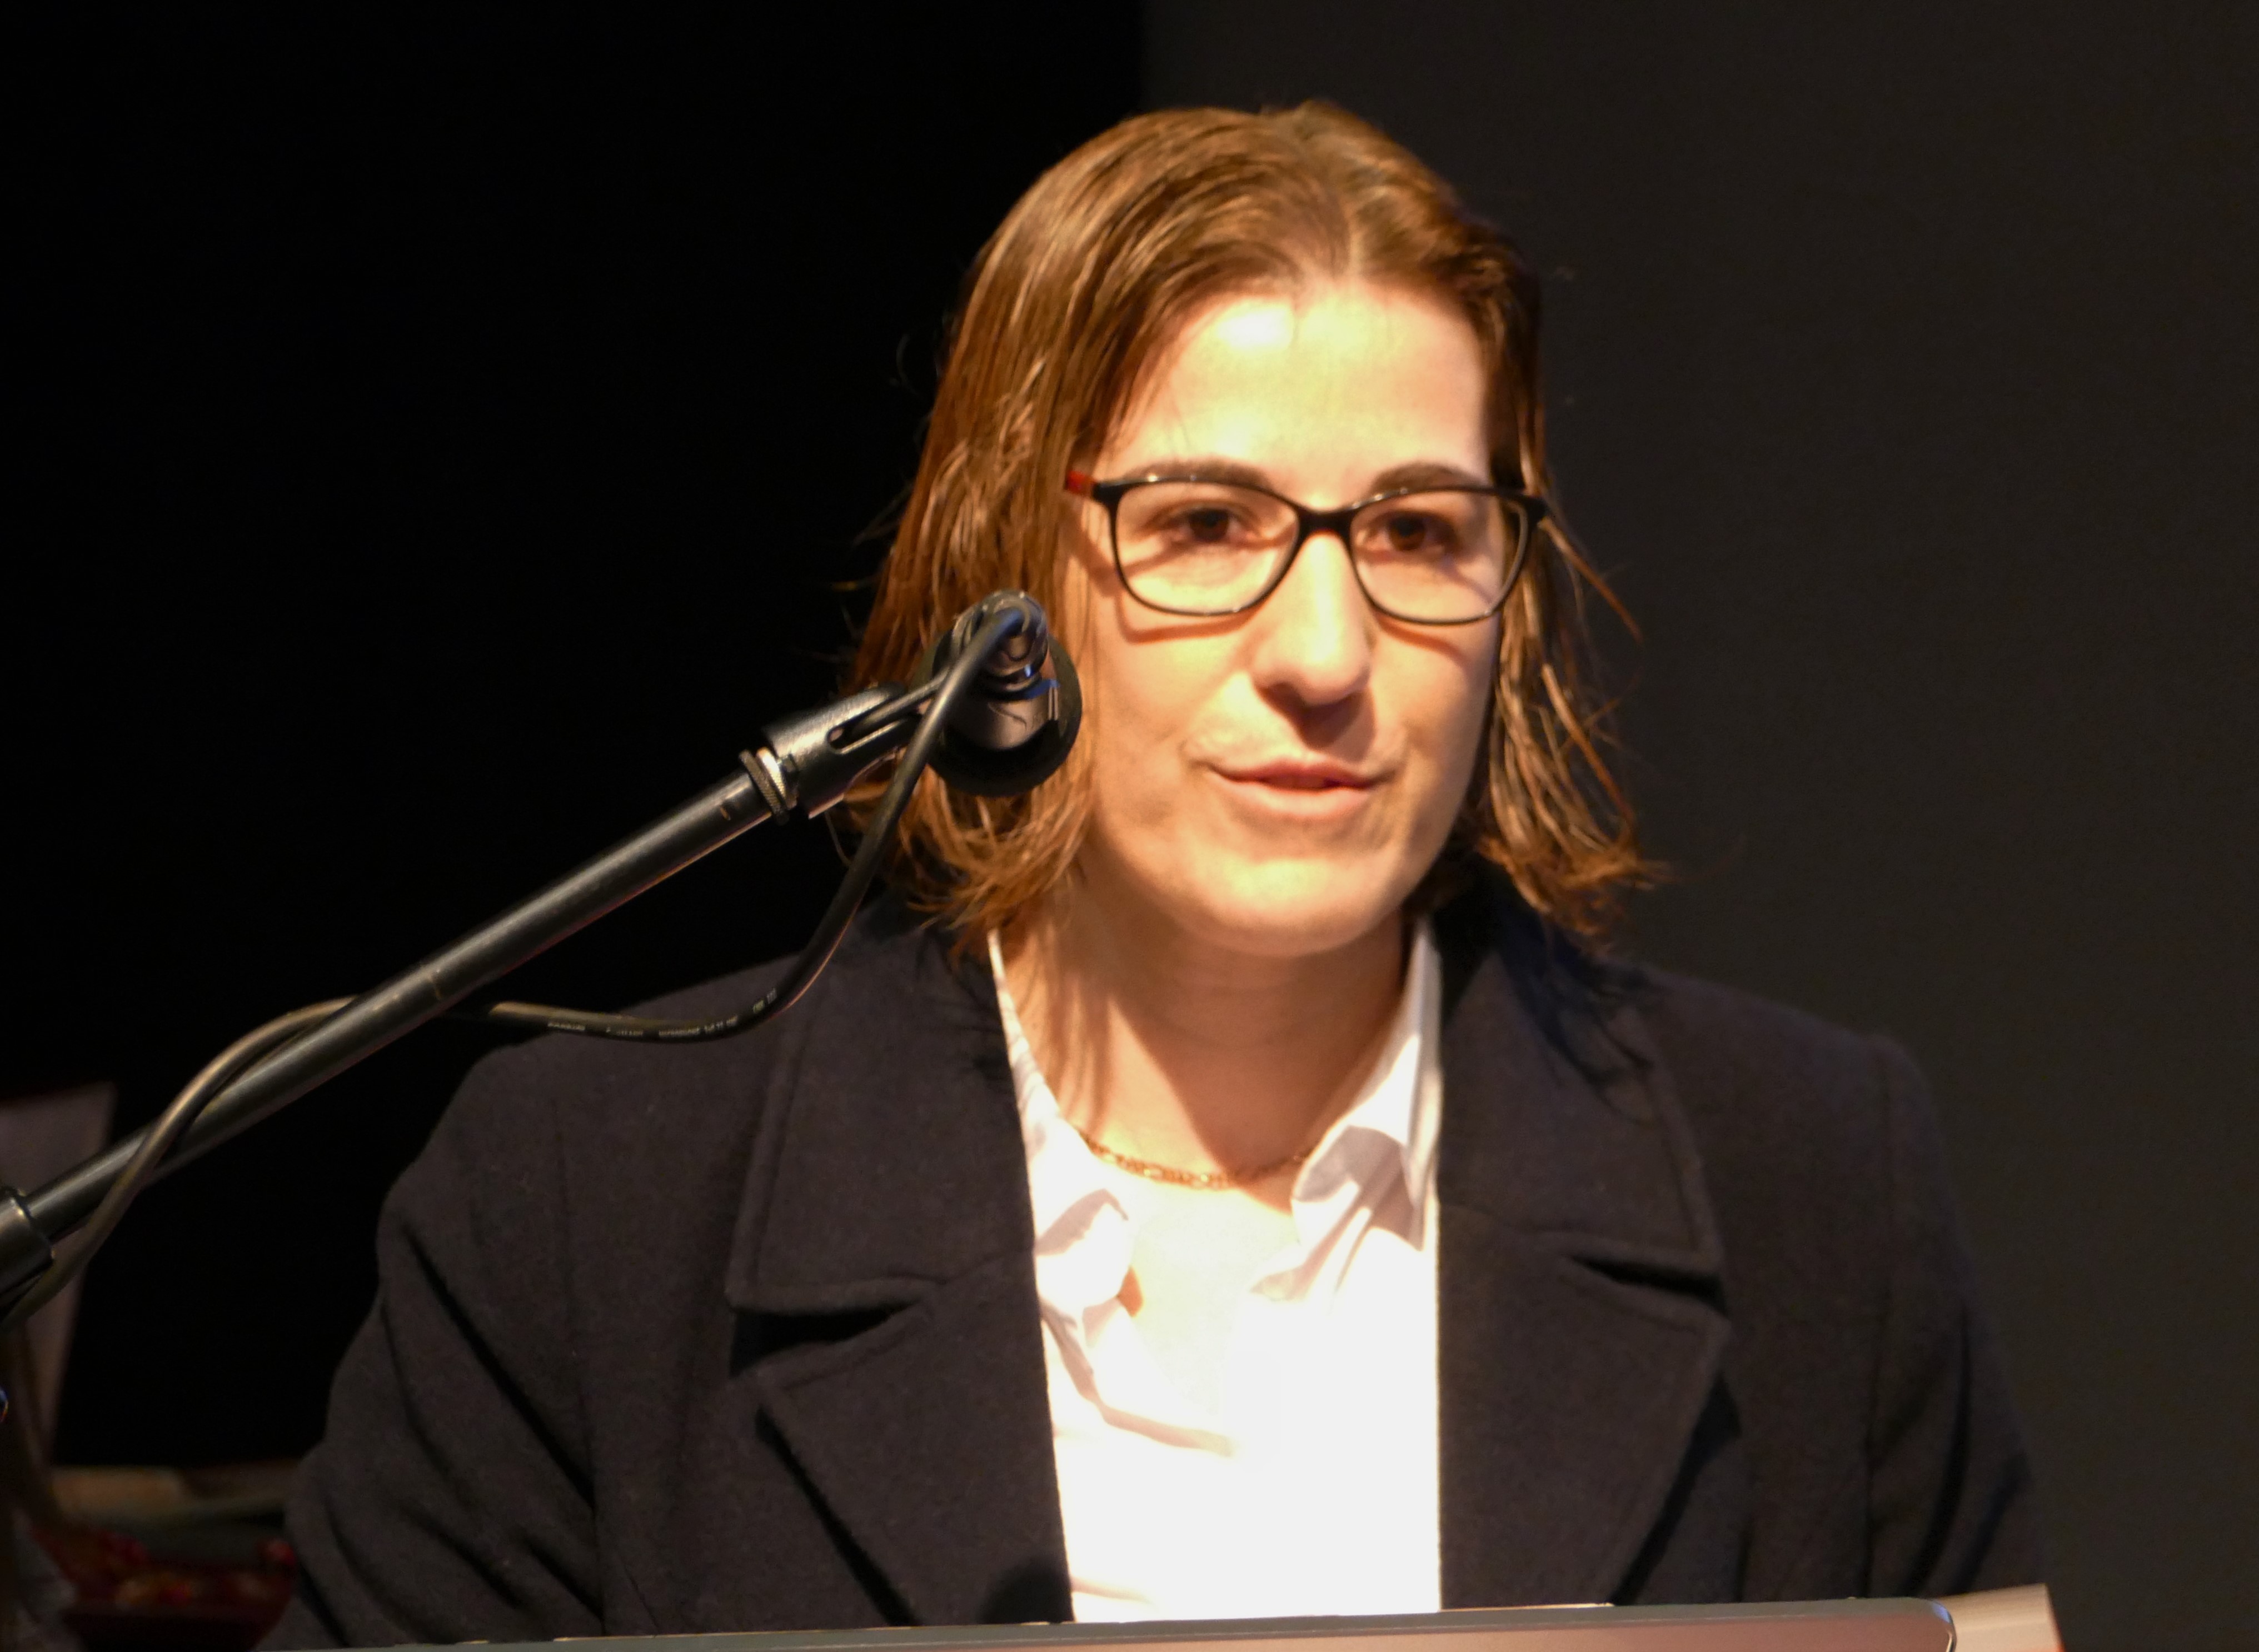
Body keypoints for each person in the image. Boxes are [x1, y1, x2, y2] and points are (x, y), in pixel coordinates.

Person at [265, 103, 2039, 1646]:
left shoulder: (1808, 1179)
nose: (1326, 653)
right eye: (1203, 524)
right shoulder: (588, 1207)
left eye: (1419, 533)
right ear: (1002, 574)